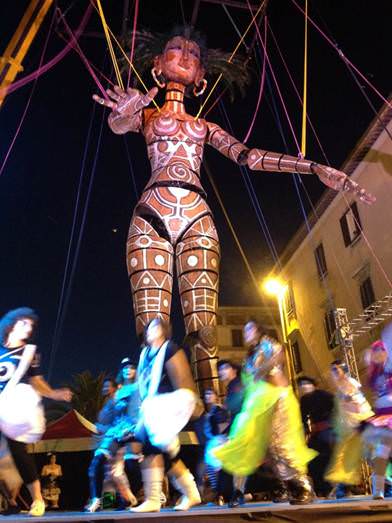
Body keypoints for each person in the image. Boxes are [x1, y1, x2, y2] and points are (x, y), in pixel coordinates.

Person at [92, 26, 375, 397]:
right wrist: (124, 114)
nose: (186, 54)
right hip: (151, 216)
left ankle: (212, 412)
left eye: (193, 53)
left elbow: (250, 156)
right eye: (175, 48)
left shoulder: (205, 127)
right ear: (158, 67)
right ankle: (152, 411)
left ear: (201, 80)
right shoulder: (147, 117)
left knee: (205, 328)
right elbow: (119, 122)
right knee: (152, 326)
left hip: (198, 217)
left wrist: (315, 169)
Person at [213, 320, 316, 505]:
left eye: (250, 328)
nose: (246, 333)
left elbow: (278, 357)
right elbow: (250, 383)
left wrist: (260, 371)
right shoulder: (249, 356)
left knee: (280, 445)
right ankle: (241, 490)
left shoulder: (268, 344)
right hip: (258, 403)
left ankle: (303, 486)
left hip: (277, 400)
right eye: (244, 330)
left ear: (259, 330)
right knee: (251, 444)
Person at [0, 307, 72, 517]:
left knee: (18, 451)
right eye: (24, 323)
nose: (28, 328)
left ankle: (38, 500)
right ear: (11, 324)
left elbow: (36, 380)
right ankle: (10, 500)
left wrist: (53, 394)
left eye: (31, 326)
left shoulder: (29, 353)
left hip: (13, 410)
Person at [132, 317, 201, 513]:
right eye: (149, 327)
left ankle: (155, 498)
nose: (152, 330)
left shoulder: (170, 349)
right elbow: (141, 386)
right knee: (162, 454)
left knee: (150, 448)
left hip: (166, 408)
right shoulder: (144, 353)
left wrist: (190, 407)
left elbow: (184, 382)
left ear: (164, 330)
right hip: (150, 408)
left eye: (156, 326)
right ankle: (190, 492)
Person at [85, 358, 140, 512]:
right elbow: (110, 418)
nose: (127, 370)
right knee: (101, 467)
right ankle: (100, 501)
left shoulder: (139, 388)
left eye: (131, 367)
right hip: (114, 434)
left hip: (131, 433)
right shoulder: (118, 394)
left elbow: (138, 412)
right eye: (125, 368)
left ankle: (129, 499)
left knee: (118, 472)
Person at [324, 360, 374, 498]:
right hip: (349, 429)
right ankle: (342, 487)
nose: (333, 373)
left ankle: (387, 483)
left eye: (336, 369)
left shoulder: (349, 384)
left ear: (343, 370)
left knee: (372, 455)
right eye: (332, 370)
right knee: (344, 458)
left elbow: (358, 404)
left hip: (360, 425)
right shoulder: (340, 387)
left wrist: (348, 399)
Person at [297, 376, 335, 497]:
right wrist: (306, 431)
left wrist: (327, 424)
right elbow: (303, 418)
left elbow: (337, 410)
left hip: (328, 429)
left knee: (326, 457)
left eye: (306, 383)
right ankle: (319, 488)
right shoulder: (304, 400)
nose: (303, 386)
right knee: (311, 459)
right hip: (316, 432)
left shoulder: (324, 395)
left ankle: (329, 487)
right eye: (301, 384)